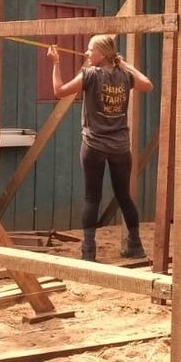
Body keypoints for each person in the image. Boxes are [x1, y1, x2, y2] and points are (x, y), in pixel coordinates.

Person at [47, 35, 153, 262]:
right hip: (120, 147)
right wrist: (125, 64)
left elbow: (59, 91)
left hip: (93, 144)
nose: (86, 53)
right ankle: (135, 246)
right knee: (124, 196)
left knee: (91, 198)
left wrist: (55, 63)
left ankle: (88, 251)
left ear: (102, 53)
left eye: (90, 49)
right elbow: (147, 84)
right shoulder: (125, 76)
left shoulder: (90, 75)